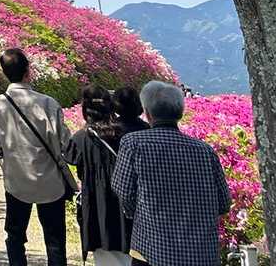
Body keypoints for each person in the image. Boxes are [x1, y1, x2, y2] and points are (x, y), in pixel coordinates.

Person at [111, 81, 232, 266]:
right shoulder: (205, 151)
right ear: (180, 113)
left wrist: (142, 213)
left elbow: (123, 190)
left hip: (152, 251)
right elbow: (223, 202)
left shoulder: (133, 144)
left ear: (148, 114)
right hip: (201, 255)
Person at [0, 48, 75, 266]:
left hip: (16, 181)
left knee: (15, 236)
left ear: (5, 73)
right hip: (51, 182)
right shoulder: (48, 103)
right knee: (55, 240)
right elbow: (65, 143)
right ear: (28, 71)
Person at [65, 84, 132, 266]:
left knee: (104, 256)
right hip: (124, 204)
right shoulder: (125, 135)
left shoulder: (81, 138)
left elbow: (70, 157)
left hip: (97, 205)